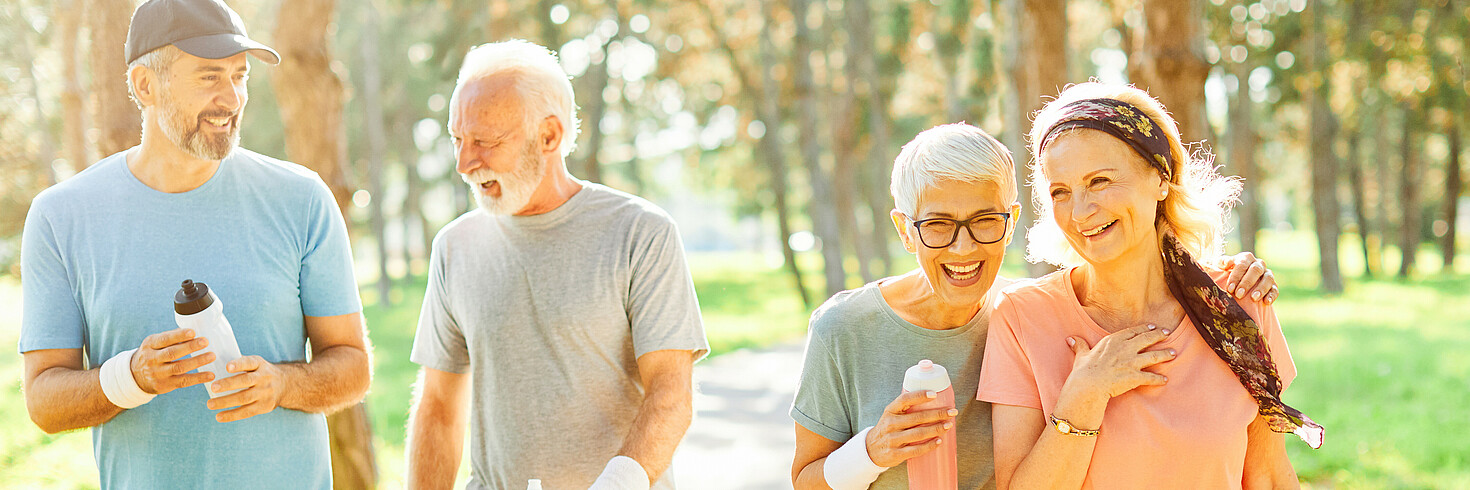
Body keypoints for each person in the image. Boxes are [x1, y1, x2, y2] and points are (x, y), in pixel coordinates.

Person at [789, 123, 1280, 490]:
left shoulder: (1024, 316)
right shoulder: (844, 329)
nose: (963, 249)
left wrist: (1227, 280)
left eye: (985, 221)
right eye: (937, 225)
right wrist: (871, 451)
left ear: (1013, 218)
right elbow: (805, 479)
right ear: (903, 227)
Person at [18, 0, 371, 487]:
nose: (232, 97)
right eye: (209, 77)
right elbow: (43, 399)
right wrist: (132, 378)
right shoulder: (62, 217)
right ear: (145, 85)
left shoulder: (301, 199)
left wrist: (283, 384)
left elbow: (353, 366)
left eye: (240, 75)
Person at [979, 82, 1322, 489]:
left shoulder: (1238, 307)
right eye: (1061, 191)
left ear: (1160, 178)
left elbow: (1266, 474)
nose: (1082, 211)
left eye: (1100, 181)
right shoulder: (1022, 318)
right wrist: (1084, 396)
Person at [404, 40, 709, 490]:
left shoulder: (641, 233)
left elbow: (671, 394)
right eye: (457, 139)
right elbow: (438, 408)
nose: (465, 163)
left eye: (486, 141)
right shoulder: (454, 247)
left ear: (549, 136)